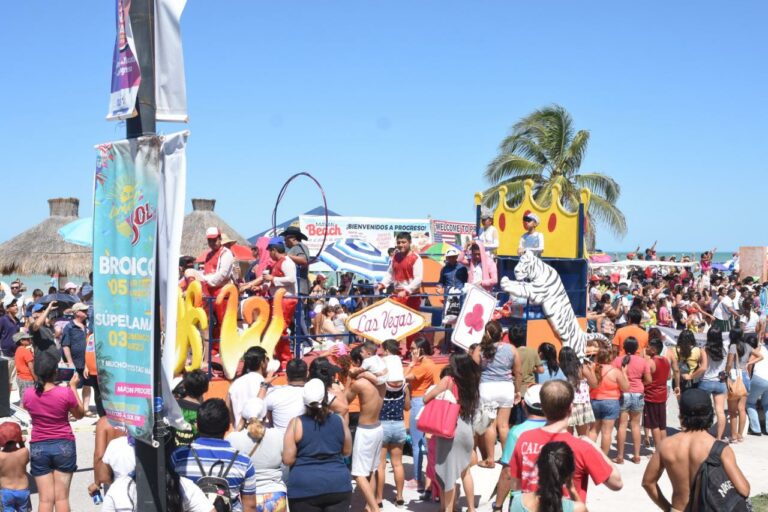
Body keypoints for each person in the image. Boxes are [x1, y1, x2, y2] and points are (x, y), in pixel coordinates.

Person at [509, 380, 623, 503]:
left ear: (543, 407)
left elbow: (516, 484)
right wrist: (594, 446)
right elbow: (616, 483)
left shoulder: (524, 439)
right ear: (571, 408)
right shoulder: (582, 447)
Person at [642, 388, 750, 511]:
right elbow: (744, 489)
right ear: (710, 413)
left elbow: (647, 483)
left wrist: (667, 508)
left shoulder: (665, 445)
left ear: (681, 413)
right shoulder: (720, 448)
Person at [23, 352, 84, 512]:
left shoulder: (28, 394)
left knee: (45, 500)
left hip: (38, 447)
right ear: (55, 372)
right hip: (63, 444)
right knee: (62, 498)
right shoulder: (64, 393)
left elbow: (28, 408)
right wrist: (72, 387)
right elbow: (80, 414)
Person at [172, 398, 258, 512]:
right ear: (228, 426)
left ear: (197, 425)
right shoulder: (243, 461)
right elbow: (250, 507)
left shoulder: (179, 456)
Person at [283, 379, 353, 512]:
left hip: (304, 488)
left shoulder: (296, 424)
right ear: (326, 398)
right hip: (338, 485)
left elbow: (288, 459)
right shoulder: (339, 420)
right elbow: (347, 451)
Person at [424, 353, 480, 512]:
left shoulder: (448, 380)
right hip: (466, 429)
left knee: (446, 473)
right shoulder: (472, 382)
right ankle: (470, 508)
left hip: (449, 428)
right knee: (465, 471)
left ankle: (447, 509)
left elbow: (426, 398)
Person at [226, 399, 286, 512]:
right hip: (275, 495)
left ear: (244, 418)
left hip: (246, 498)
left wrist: (238, 427)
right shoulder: (277, 435)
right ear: (265, 417)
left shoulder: (233, 438)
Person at [495, 384, 547, 512]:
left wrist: (498, 506)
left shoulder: (516, 432)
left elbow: (507, 473)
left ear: (524, 405)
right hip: (552, 497)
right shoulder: (558, 430)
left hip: (523, 499)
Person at [477, 320, 522, 469]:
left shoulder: (481, 349)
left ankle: (490, 459)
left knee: (490, 425)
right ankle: (507, 458)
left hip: (487, 388)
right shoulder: (511, 349)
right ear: (502, 334)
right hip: (506, 388)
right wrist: (518, 390)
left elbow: (473, 369)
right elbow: (518, 372)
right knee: (504, 426)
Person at [346, 346, 385, 512]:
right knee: (371, 470)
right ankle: (369, 506)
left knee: (358, 474)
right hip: (378, 427)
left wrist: (349, 377)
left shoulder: (360, 384)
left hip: (366, 429)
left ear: (356, 363)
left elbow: (345, 400)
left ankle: (374, 508)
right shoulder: (382, 383)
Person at [375, 340, 409, 508]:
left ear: (387, 351)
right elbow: (407, 406)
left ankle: (379, 498)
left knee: (381, 465)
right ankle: (400, 496)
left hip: (382, 425)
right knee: (398, 463)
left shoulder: (382, 385)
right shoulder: (404, 386)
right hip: (399, 425)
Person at [509, 441, 587, 512]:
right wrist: (572, 489)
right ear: (569, 475)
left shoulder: (518, 502)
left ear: (539, 468)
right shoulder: (577, 508)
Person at [403, 337, 438, 492]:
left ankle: (418, 480)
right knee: (425, 443)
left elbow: (404, 377)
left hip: (418, 402)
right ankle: (431, 479)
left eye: (412, 348)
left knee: (417, 444)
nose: (410, 351)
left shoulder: (422, 365)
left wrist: (411, 363)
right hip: (424, 402)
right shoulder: (430, 364)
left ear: (420, 350)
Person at [612, 337, 651, 464]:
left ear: (623, 347)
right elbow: (649, 380)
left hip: (623, 394)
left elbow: (613, 377)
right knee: (635, 425)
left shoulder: (617, 360)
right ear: (636, 348)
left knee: (622, 425)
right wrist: (640, 383)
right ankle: (637, 455)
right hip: (638, 394)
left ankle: (620, 456)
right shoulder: (643, 361)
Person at [377, 232, 423, 329]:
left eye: (403, 242)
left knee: (410, 325)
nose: (401, 245)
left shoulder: (416, 258)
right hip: (396, 295)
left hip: (411, 297)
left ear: (409, 242)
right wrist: (383, 284)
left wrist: (407, 290)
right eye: (399, 242)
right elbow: (390, 273)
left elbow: (418, 278)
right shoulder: (395, 257)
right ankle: (395, 344)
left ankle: (409, 344)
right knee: (394, 324)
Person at [588, 346, 629, 455]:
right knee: (606, 433)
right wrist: (624, 373)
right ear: (610, 357)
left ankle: (588, 455)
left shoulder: (592, 368)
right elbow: (626, 388)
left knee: (593, 430)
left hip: (595, 401)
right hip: (611, 402)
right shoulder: (615, 371)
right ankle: (603, 457)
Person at [725, 327, 760, 443]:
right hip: (745, 376)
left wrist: (725, 373)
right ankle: (740, 435)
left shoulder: (733, 347)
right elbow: (760, 356)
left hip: (735, 377)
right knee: (741, 409)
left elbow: (729, 364)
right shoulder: (748, 346)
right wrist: (749, 362)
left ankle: (733, 436)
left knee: (732, 410)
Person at [60, 302, 94, 416]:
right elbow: (65, 345)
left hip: (87, 362)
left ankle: (85, 408)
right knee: (71, 386)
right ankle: (72, 410)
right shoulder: (69, 326)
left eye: (86, 310)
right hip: (74, 362)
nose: (86, 312)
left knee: (87, 385)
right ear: (76, 313)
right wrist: (70, 363)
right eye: (83, 310)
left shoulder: (88, 326)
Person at [559, 346, 596, 436]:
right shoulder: (582, 368)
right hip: (582, 405)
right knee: (583, 436)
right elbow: (594, 384)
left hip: (565, 404)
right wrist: (592, 371)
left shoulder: (560, 369)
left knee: (567, 436)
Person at [510, 325, 544, 424]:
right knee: (528, 419)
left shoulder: (512, 352)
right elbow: (541, 370)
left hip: (515, 389)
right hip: (530, 389)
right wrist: (531, 367)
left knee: (515, 420)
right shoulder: (532, 351)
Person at [698, 327, 728, 440]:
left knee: (703, 410)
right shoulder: (725, 348)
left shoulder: (705, 349)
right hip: (720, 382)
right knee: (720, 411)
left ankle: (704, 434)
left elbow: (703, 367)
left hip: (706, 381)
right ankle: (719, 437)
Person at [227, 347, 268, 427]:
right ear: (262, 363)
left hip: (239, 432)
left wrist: (236, 425)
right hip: (261, 433)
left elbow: (227, 408)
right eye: (267, 359)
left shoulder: (235, 383)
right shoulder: (266, 385)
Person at [265, 358, 307, 432]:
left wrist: (264, 384)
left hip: (280, 440)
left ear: (286, 375)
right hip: (306, 440)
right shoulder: (314, 393)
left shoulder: (274, 393)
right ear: (307, 374)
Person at [644, 338, 671, 449]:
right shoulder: (665, 360)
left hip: (651, 396)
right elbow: (669, 376)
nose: (646, 348)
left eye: (648, 347)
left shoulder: (650, 362)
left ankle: (658, 450)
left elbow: (647, 379)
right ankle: (665, 449)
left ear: (654, 350)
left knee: (654, 425)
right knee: (662, 425)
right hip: (662, 395)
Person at [0, 422, 30, 512]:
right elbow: (26, 461)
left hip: (6, 491)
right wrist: (21, 442)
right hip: (23, 490)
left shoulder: (0, 456)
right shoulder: (24, 451)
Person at [174, 370, 209, 447]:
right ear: (205, 389)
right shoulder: (204, 413)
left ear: (185, 386)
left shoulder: (173, 406)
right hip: (193, 455)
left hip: (172, 453)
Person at [668, 329, 703, 393]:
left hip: (677, 380)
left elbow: (673, 368)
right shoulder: (697, 350)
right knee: (691, 402)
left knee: (680, 402)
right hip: (692, 380)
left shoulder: (673, 350)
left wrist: (677, 385)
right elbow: (701, 366)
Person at [13, 332, 35, 401]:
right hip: (28, 379)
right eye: (27, 339)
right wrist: (36, 379)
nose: (30, 340)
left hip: (20, 378)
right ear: (21, 341)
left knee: (23, 398)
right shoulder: (26, 351)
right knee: (27, 401)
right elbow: (31, 368)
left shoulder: (18, 349)